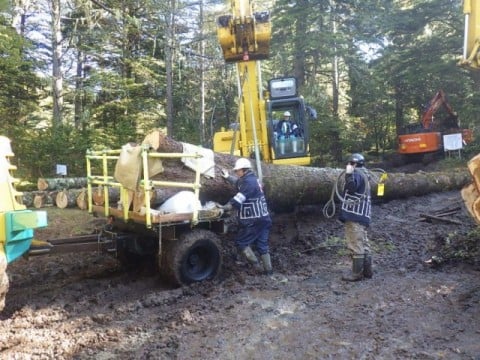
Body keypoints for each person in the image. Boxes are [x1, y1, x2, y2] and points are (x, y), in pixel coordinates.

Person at [218, 158, 273, 275]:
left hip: (254, 220)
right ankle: (269, 272)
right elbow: (238, 183)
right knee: (262, 245)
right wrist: (228, 177)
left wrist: (223, 207)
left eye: (237, 171)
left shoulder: (249, 183)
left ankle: (256, 267)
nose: (236, 172)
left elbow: (237, 200)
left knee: (241, 243)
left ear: (243, 170)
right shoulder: (251, 179)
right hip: (264, 218)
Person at [339, 153, 373, 282]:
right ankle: (368, 271)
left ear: (354, 164)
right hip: (362, 215)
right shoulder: (365, 173)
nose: (347, 165)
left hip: (355, 214)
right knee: (363, 242)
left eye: (349, 163)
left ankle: (356, 274)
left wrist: (348, 174)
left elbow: (351, 187)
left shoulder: (357, 174)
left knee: (355, 243)